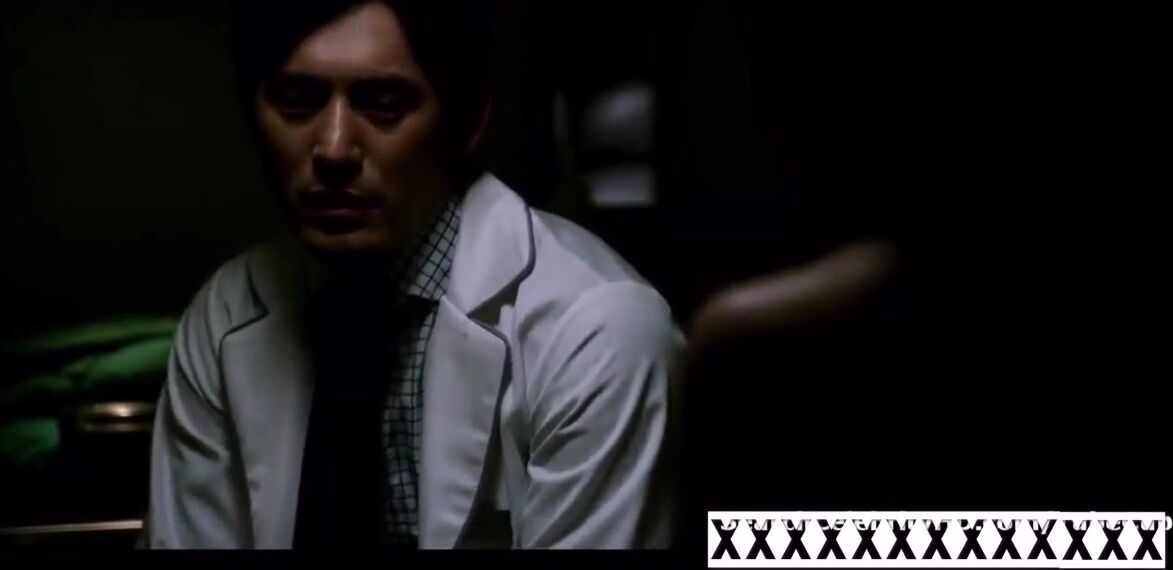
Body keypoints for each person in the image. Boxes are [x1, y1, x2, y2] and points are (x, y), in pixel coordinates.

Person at [143, 0, 681, 549]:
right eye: (297, 101)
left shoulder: (599, 331)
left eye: (384, 105)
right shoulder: (228, 315)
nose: (334, 148)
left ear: (467, 122)